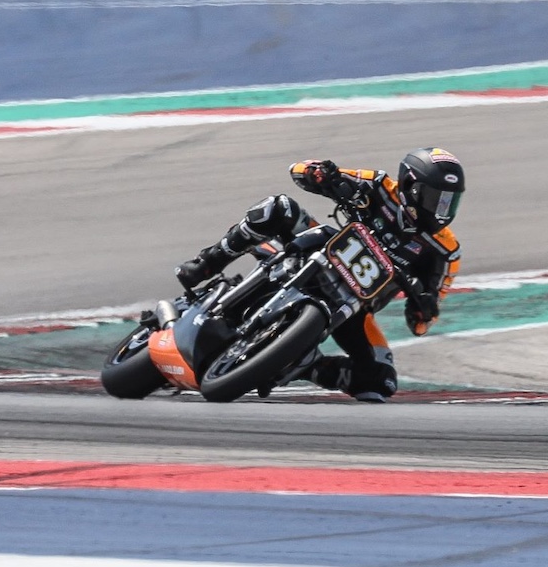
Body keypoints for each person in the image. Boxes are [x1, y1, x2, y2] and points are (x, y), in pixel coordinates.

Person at [175, 148, 464, 402]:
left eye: (449, 203)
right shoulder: (378, 184)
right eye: (436, 198)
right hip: (321, 250)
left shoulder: (446, 250)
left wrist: (424, 307)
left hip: (355, 307)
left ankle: (307, 366)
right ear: (411, 186)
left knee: (381, 382)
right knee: (278, 207)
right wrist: (324, 174)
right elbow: (299, 170)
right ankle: (207, 263)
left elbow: (423, 324)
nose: (442, 210)